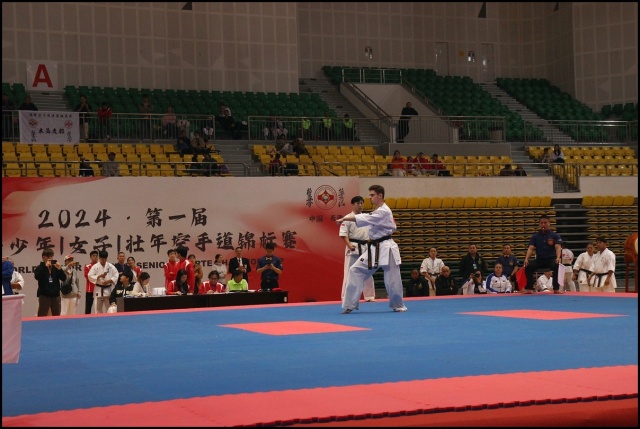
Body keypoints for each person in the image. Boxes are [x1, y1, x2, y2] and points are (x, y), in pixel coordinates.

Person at [336, 184, 407, 313]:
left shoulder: (384, 211)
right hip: (374, 247)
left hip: (387, 247)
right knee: (355, 270)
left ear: (380, 195)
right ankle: (350, 304)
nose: (370, 197)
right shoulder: (377, 211)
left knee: (392, 278)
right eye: (369, 195)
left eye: (372, 195)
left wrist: (345, 218)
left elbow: (366, 218)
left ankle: (398, 305)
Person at [338, 195, 376, 302]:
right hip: (353, 247)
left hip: (365, 247)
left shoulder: (365, 217)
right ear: (353, 205)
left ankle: (369, 296)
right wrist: (349, 245)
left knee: (368, 272)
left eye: (361, 203)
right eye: (358, 203)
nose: (360, 205)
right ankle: (346, 297)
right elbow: (343, 234)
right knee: (349, 273)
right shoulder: (348, 218)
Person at [522, 215, 563, 294]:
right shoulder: (535, 236)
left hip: (551, 259)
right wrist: (526, 259)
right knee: (528, 265)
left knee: (557, 265)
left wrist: (558, 257)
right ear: (539, 224)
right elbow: (531, 248)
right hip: (539, 260)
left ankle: (556, 288)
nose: (543, 224)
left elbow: (558, 247)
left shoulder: (554, 235)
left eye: (545, 223)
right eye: (541, 223)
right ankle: (529, 288)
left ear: (549, 223)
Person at [33, 249, 67, 317]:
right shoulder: (40, 267)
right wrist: (45, 267)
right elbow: (37, 277)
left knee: (56, 315)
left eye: (51, 256)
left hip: (55, 295)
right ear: (43, 257)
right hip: (44, 295)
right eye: (48, 256)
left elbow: (63, 278)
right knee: (42, 315)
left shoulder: (55, 267)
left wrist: (60, 269)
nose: (50, 258)